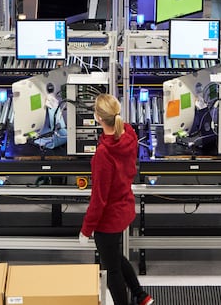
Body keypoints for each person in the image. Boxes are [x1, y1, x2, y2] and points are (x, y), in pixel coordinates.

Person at [79, 94, 153, 305]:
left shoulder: (103, 154)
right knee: (116, 257)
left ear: (98, 118)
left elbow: (99, 199)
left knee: (111, 270)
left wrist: (86, 229)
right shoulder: (128, 134)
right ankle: (141, 296)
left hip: (108, 219)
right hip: (124, 208)